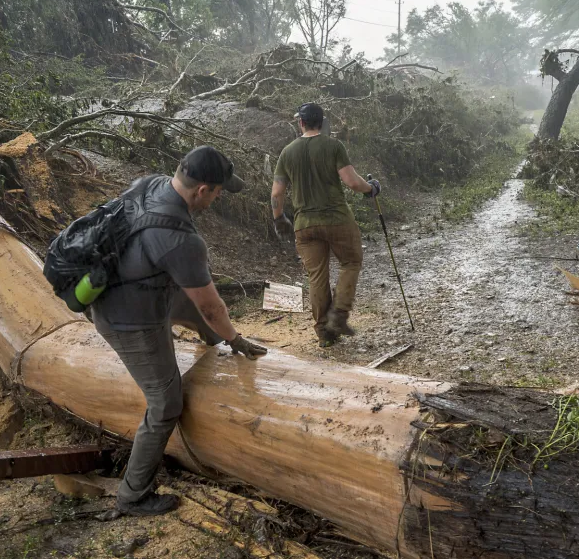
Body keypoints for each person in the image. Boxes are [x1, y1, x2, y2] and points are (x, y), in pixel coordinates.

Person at [90, 145, 267, 517]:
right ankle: (132, 495)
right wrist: (235, 337)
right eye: (218, 192)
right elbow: (210, 306)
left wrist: (217, 331)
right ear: (203, 189)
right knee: (166, 403)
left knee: (193, 304)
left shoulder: (150, 184)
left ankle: (214, 339)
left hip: (135, 290)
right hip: (129, 321)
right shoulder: (182, 240)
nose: (218, 198)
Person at [270, 103, 380, 348]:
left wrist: (279, 218)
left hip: (304, 224)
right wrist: (371, 189)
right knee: (351, 262)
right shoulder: (333, 146)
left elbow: (277, 192)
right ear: (322, 122)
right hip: (337, 219)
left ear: (301, 123)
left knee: (316, 275)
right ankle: (339, 316)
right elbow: (352, 182)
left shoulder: (287, 152)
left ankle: (323, 333)